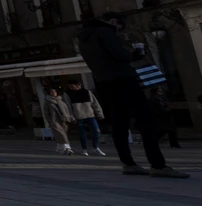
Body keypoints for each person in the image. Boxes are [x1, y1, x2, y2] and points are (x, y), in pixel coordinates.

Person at [76, 14, 187, 178]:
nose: (119, 30)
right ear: (112, 22)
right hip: (123, 79)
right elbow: (121, 56)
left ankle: (128, 163)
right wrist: (134, 55)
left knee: (119, 123)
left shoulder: (84, 39)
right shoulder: (105, 33)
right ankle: (158, 165)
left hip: (104, 82)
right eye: (119, 26)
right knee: (146, 121)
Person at [66, 81, 105, 155]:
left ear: (77, 85)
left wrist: (99, 113)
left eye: (72, 86)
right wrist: (72, 117)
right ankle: (84, 149)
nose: (71, 88)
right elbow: (68, 107)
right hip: (79, 116)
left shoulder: (87, 92)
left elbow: (95, 103)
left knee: (96, 131)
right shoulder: (68, 94)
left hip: (90, 115)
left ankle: (95, 147)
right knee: (82, 134)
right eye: (70, 86)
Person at [40, 86, 75, 156]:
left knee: (63, 134)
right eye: (51, 92)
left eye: (54, 91)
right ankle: (68, 148)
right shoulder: (47, 101)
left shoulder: (61, 100)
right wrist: (50, 121)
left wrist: (70, 117)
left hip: (64, 119)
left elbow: (67, 109)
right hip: (54, 120)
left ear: (57, 92)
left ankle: (59, 147)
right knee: (61, 134)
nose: (53, 93)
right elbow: (46, 112)